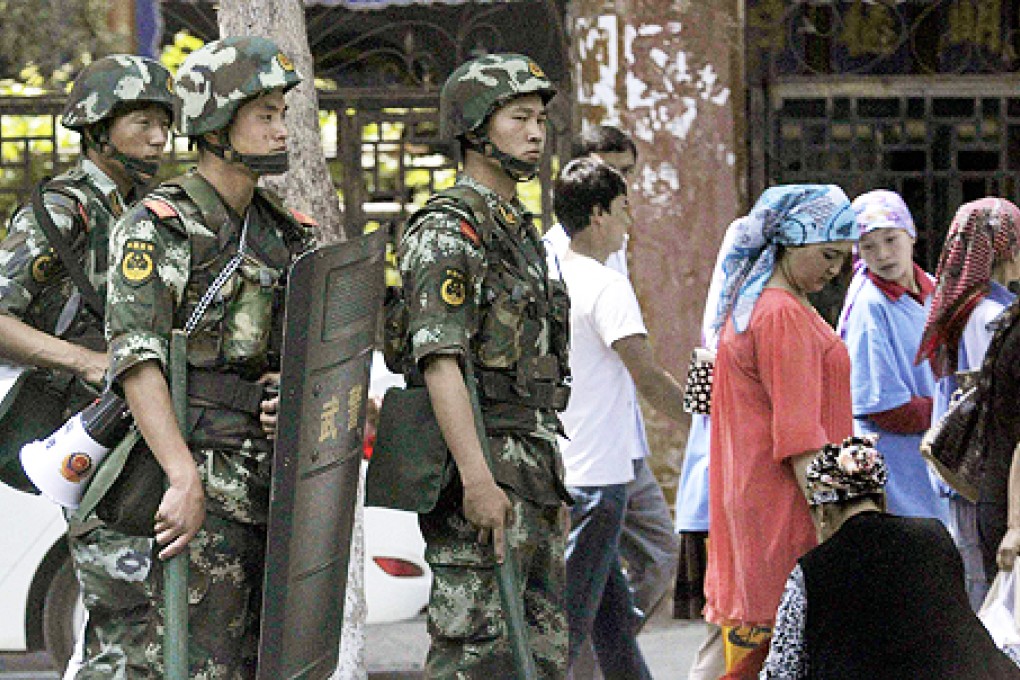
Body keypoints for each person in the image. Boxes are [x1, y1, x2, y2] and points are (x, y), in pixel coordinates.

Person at [104, 37, 317, 677]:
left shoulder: (286, 232)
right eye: (266, 116)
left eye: (284, 114)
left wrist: (292, 394)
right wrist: (181, 476)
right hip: (201, 484)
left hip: (273, 488)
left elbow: (305, 353)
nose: (283, 130)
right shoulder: (158, 226)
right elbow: (137, 360)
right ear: (217, 123)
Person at [394, 53, 571, 677]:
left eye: (541, 118)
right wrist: (476, 480)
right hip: (484, 465)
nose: (536, 132)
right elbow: (440, 360)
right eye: (518, 117)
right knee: (475, 654)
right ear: (474, 129)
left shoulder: (516, 229)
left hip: (529, 467)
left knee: (538, 658)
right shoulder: (448, 230)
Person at [0, 55, 172, 678]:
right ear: (98, 128)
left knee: (152, 624)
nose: (160, 137)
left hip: (152, 440)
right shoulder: (65, 212)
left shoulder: (152, 210)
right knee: (122, 627)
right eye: (144, 122)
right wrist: (85, 360)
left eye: (166, 123)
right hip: (93, 443)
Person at [691, 185, 859, 679]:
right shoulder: (781, 313)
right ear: (790, 242)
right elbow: (799, 440)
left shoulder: (761, 306)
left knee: (747, 647)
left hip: (759, 497)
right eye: (828, 254)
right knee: (769, 649)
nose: (835, 269)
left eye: (843, 259)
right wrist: (838, 522)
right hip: (784, 504)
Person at [553, 157, 687, 678]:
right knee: (567, 631)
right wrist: (706, 422)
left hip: (571, 468)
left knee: (610, 628)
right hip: (600, 481)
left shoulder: (551, 268)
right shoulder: (606, 285)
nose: (631, 221)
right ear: (599, 214)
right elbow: (649, 378)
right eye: (624, 209)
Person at [760, 436, 1020, 679]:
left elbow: (780, 670)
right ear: (882, 500)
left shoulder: (811, 571)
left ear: (823, 513)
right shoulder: (935, 536)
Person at [916, 198, 1020, 609]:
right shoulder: (990, 315)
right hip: (986, 472)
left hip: (963, 469)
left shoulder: (964, 308)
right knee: (986, 588)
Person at [835, 189, 946, 522]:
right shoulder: (870, 307)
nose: (883, 254)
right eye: (868, 246)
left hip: (935, 455)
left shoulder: (932, 289)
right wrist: (950, 410)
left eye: (890, 239)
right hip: (901, 465)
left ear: (910, 235)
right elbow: (886, 408)